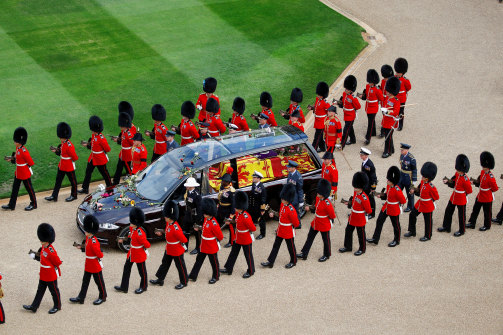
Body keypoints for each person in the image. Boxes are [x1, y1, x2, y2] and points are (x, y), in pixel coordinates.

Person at [23, 223, 62, 314]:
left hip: (50, 275)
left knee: (54, 291)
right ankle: (34, 306)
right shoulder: (43, 248)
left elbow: (57, 262)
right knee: (40, 290)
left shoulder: (51, 251)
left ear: (47, 240)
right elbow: (41, 258)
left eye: (43, 240)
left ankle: (57, 306)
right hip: (43, 273)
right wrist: (34, 255)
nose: (41, 242)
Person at [150, 201, 188, 290]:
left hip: (176, 250)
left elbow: (184, 240)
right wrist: (162, 233)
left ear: (170, 217)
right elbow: (168, 232)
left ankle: (184, 281)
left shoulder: (176, 228)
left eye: (166, 216)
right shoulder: (169, 223)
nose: (165, 217)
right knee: (164, 264)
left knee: (180, 266)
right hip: (169, 248)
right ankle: (160, 279)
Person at [69, 215, 107, 305]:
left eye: (87, 230)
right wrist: (81, 248)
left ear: (91, 231)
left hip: (94, 265)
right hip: (88, 264)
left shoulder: (94, 242)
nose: (85, 231)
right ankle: (81, 297)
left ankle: (103, 296)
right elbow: (87, 248)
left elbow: (99, 254)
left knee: (99, 282)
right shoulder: (88, 238)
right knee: (85, 282)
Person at [261, 183, 300, 269]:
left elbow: (296, 223)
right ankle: (270, 261)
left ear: (288, 199)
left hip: (288, 230)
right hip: (281, 229)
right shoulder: (282, 205)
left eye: (284, 198)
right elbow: (281, 216)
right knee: (276, 246)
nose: (282, 199)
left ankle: (293, 261)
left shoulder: (291, 209)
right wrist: (274, 214)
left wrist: (291, 227)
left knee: (291, 247)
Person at [297, 179, 336, 262]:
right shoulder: (318, 199)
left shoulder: (328, 204)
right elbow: (316, 207)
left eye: (319, 192)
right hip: (316, 222)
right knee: (310, 237)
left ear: (324, 194)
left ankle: (327, 254)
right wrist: (310, 208)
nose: (317, 193)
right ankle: (304, 253)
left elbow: (332, 215)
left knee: (326, 240)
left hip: (324, 223)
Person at [367, 166, 406, 247]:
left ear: (393, 182)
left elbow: (403, 201)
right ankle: (375, 239)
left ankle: (397, 240)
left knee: (396, 225)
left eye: (389, 180)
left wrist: (397, 205)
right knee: (379, 221)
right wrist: (381, 196)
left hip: (393, 208)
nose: (387, 181)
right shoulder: (389, 186)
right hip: (386, 207)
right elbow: (387, 195)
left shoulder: (397, 190)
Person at [220, 191, 256, 278]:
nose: (235, 208)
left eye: (236, 207)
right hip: (238, 237)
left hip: (245, 238)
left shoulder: (246, 217)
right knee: (233, 253)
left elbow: (253, 228)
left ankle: (251, 270)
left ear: (241, 207)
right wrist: (230, 222)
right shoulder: (238, 213)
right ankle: (229, 268)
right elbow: (236, 221)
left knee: (248, 255)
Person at [115, 207, 151, 294]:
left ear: (136, 222)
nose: (130, 222)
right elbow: (130, 237)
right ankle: (124, 287)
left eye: (132, 221)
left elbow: (147, 245)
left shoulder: (140, 233)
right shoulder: (132, 228)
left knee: (142, 272)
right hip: (132, 253)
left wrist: (140, 245)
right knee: (126, 268)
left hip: (139, 254)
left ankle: (143, 286)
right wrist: (123, 239)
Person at [188, 198, 224, 284]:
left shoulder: (214, 223)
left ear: (210, 213)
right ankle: (193, 275)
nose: (204, 214)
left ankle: (216, 276)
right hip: (204, 244)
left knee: (214, 262)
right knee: (198, 260)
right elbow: (205, 228)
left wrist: (214, 240)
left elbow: (220, 236)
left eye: (205, 213)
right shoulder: (206, 219)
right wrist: (199, 228)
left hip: (211, 245)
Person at [2, 127, 37, 211]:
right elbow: (18, 159)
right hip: (18, 173)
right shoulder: (18, 149)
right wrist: (12, 159)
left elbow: (31, 162)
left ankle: (34, 203)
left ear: (19, 142)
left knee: (29, 189)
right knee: (15, 189)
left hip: (24, 173)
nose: (14, 142)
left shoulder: (24, 151)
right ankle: (11, 205)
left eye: (15, 141)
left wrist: (23, 166)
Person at [438, 154, 472, 236]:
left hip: (461, 198)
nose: (457, 171)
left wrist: (463, 194)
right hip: (454, 196)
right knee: (448, 211)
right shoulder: (457, 174)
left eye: (459, 170)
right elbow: (453, 182)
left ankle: (462, 230)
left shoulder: (466, 179)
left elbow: (469, 190)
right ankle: (446, 227)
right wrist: (447, 182)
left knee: (461, 216)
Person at [339, 172, 372, 256]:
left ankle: (362, 248)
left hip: (360, 217)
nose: (354, 188)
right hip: (353, 216)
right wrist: (349, 204)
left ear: (361, 187)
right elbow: (354, 202)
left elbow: (369, 210)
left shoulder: (364, 197)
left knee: (361, 234)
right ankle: (348, 246)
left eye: (356, 187)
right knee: (348, 231)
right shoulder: (355, 193)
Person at [405, 162, 439, 241]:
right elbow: (419, 190)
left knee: (428, 221)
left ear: (428, 178)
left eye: (424, 176)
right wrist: (414, 191)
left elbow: (436, 197)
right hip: (420, 203)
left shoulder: (431, 187)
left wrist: (430, 201)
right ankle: (412, 231)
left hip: (427, 205)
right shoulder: (423, 182)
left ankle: (428, 235)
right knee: (412, 215)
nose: (422, 177)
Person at [45, 122, 79, 203]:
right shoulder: (63, 143)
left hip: (68, 166)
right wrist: (56, 151)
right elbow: (62, 153)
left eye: (61, 137)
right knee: (58, 181)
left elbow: (75, 157)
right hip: (62, 165)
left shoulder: (69, 145)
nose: (60, 138)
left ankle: (74, 195)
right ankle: (54, 196)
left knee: (73, 181)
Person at [466, 151, 499, 231]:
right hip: (480, 194)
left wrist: (487, 190)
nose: (483, 167)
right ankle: (472, 223)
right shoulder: (482, 172)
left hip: (487, 196)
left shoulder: (491, 177)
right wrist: (474, 182)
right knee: (475, 209)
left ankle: (487, 225)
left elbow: (495, 188)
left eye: (484, 166)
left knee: (487, 212)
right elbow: (480, 181)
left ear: (488, 167)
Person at [78, 116, 112, 194]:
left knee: (105, 174)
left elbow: (108, 149)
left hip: (100, 158)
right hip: (93, 157)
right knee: (88, 172)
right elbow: (93, 145)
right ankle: (85, 188)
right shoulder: (94, 135)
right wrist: (87, 145)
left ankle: (110, 187)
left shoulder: (101, 138)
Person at [357, 69, 384, 145]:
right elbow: (365, 96)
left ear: (374, 82)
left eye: (370, 82)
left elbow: (381, 99)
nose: (369, 83)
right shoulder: (367, 86)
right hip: (368, 107)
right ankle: (373, 132)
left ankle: (368, 138)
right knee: (371, 121)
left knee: (370, 123)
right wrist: (360, 96)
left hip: (373, 108)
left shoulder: (377, 89)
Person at [113, 106, 137, 185]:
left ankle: (133, 183)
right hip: (123, 152)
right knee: (119, 167)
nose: (120, 127)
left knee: (129, 170)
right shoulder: (124, 132)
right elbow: (123, 140)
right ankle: (115, 183)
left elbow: (133, 144)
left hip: (127, 154)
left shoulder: (129, 133)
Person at [337, 75, 361, 148]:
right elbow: (343, 102)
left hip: (351, 116)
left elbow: (358, 106)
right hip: (346, 114)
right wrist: (338, 103)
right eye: (346, 88)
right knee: (350, 128)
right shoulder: (344, 94)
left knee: (346, 130)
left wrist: (352, 108)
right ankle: (353, 140)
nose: (346, 90)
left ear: (351, 90)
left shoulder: (353, 98)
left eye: (347, 89)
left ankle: (342, 145)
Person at [380, 76, 401, 158]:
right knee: (388, 136)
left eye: (388, 91)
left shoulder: (396, 101)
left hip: (391, 122)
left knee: (387, 137)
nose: (386, 92)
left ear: (392, 91)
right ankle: (391, 149)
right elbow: (385, 106)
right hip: (386, 120)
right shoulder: (388, 99)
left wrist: (388, 111)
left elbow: (396, 111)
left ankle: (387, 151)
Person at [182, 177, 202, 254]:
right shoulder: (188, 192)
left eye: (187, 185)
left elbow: (199, 208)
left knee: (196, 232)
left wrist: (198, 220)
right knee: (185, 231)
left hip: (194, 215)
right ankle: (185, 247)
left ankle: (198, 248)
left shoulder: (197, 195)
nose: (186, 186)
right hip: (188, 214)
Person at [308, 81, 330, 152]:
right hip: (317, 120)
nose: (318, 95)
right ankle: (323, 148)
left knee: (316, 137)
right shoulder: (317, 99)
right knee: (320, 136)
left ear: (323, 95)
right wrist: (312, 108)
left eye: (319, 95)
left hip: (321, 122)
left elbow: (329, 112)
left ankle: (313, 150)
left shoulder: (325, 103)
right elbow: (316, 107)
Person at [216, 170, 235, 247]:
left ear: (227, 182)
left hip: (228, 210)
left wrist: (231, 215)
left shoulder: (231, 191)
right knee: (218, 224)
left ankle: (231, 241)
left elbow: (233, 204)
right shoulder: (222, 187)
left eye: (223, 181)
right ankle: (218, 238)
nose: (222, 182)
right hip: (221, 208)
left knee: (231, 227)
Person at [398, 143, 417, 212]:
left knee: (409, 193)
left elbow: (414, 170)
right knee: (398, 190)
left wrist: (414, 181)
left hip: (408, 177)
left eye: (402, 150)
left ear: (406, 150)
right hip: (402, 175)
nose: (401, 151)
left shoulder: (411, 159)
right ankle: (398, 203)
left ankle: (410, 206)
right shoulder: (402, 156)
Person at [394, 58, 412, 131]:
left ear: (403, 72)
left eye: (399, 72)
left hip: (401, 99)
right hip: (395, 98)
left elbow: (408, 88)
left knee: (401, 112)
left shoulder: (405, 80)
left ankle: (400, 124)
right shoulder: (394, 78)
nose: (397, 73)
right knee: (395, 110)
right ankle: (395, 122)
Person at [249, 171, 268, 239]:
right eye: (253, 177)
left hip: (258, 206)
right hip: (253, 205)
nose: (253, 179)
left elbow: (263, 199)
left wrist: (262, 209)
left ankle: (262, 234)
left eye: (255, 177)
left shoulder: (261, 188)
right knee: (253, 218)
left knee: (261, 220)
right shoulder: (254, 184)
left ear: (258, 179)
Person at [360, 148, 377, 219]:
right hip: (365, 184)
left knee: (371, 199)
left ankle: (372, 214)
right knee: (364, 198)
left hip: (369, 185)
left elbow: (373, 176)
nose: (360, 156)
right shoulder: (364, 162)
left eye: (362, 155)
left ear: (366, 156)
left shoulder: (370, 165)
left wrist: (373, 187)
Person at [286, 160, 304, 228]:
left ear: (293, 168)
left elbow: (299, 189)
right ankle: (293, 223)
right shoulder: (290, 174)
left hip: (295, 197)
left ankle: (298, 224)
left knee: (295, 212)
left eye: (289, 167)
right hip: (290, 196)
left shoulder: (298, 176)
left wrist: (301, 200)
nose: (288, 168)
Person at [379, 64, 394, 137]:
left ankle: (383, 131)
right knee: (384, 115)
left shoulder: (392, 82)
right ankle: (384, 130)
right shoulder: (383, 81)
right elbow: (382, 89)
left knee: (386, 116)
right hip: (383, 101)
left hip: (389, 101)